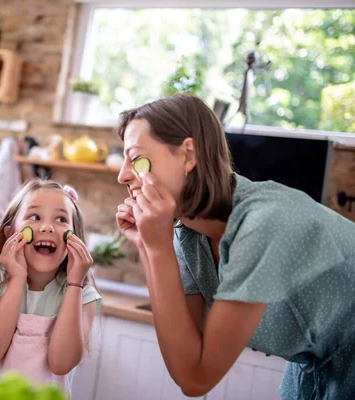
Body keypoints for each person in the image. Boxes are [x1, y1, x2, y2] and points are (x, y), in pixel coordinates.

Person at [115, 94, 355, 399]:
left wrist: (157, 247)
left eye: (136, 159)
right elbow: (187, 359)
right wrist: (148, 247)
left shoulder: (264, 222)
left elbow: (196, 379)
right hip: (315, 372)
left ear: (188, 155)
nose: (123, 175)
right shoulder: (188, 235)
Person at [0, 179, 101, 396]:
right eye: (34, 217)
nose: (47, 227)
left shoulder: (83, 294)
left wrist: (74, 284)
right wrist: (17, 279)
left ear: (74, 239)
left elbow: (61, 364)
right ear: (10, 233)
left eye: (61, 219)